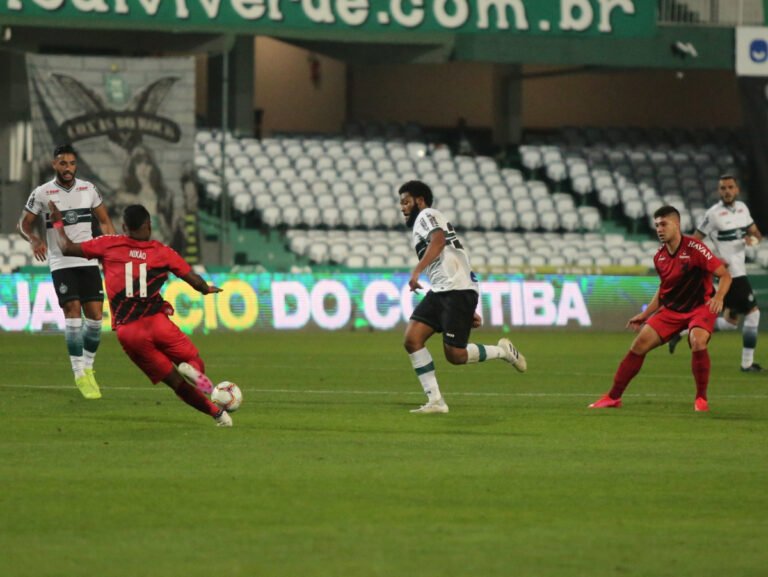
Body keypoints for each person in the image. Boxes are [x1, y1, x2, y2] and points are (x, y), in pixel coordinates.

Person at [48, 202, 233, 427]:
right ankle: (197, 375)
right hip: (157, 322)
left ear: (124, 227)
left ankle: (218, 415)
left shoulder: (108, 244)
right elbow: (194, 281)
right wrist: (207, 289)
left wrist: (57, 221)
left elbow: (66, 248)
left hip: (130, 332)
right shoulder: (162, 252)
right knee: (193, 361)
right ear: (149, 225)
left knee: (176, 383)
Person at [399, 180, 527, 414]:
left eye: (406, 201)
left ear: (420, 201)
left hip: (455, 290)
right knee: (412, 339)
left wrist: (417, 270)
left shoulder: (426, 214)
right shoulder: (424, 220)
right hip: (444, 290)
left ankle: (503, 351)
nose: (403, 207)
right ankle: (436, 401)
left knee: (455, 355)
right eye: (401, 203)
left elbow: (438, 240)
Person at [589, 205, 732, 412]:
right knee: (638, 345)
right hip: (672, 311)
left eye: (663, 224)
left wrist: (719, 297)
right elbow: (664, 290)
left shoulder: (696, 248)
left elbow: (724, 275)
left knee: (698, 341)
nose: (659, 229)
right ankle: (613, 397)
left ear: (677, 225)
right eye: (656, 225)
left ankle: (701, 399)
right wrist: (646, 314)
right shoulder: (659, 257)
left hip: (700, 307)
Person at [18, 143, 115, 400]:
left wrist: (112, 247)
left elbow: (104, 221)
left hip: (88, 260)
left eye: (72, 164)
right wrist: (34, 239)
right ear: (54, 165)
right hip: (61, 263)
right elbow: (24, 223)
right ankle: (78, 373)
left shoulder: (88, 189)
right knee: (72, 310)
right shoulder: (42, 192)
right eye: (63, 163)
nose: (68, 168)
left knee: (95, 318)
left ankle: (89, 367)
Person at [668, 175, 763, 371]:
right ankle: (747, 365)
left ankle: (682, 330)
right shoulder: (713, 214)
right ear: (719, 192)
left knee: (730, 322)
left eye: (730, 187)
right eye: (723, 188)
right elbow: (694, 242)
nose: (727, 191)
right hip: (732, 273)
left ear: (737, 190)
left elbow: (756, 234)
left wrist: (752, 240)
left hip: (738, 271)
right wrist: (712, 260)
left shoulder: (743, 209)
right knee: (754, 314)